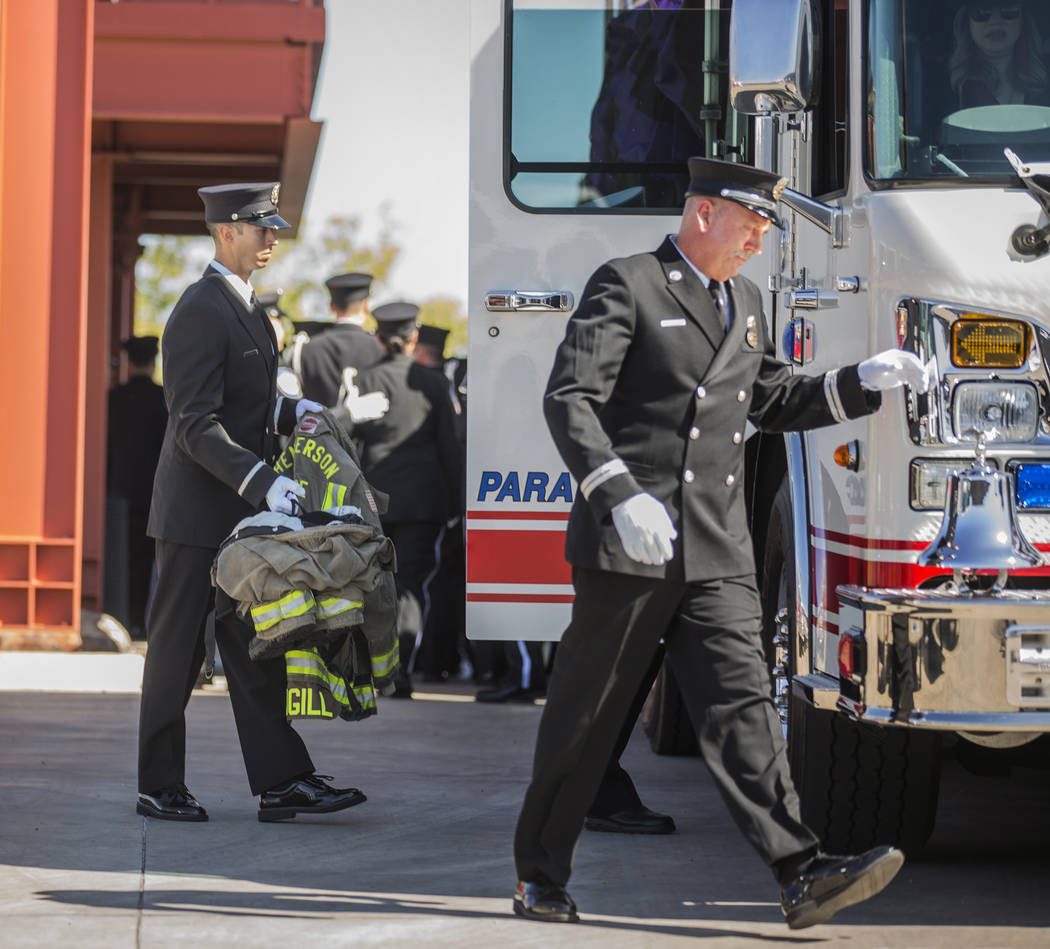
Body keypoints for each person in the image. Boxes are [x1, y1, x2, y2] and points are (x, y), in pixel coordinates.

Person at [511, 158, 928, 929]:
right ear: (705, 214)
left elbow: (770, 396)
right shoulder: (627, 283)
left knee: (744, 712)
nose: (761, 244)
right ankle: (540, 874)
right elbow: (570, 397)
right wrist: (615, 491)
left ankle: (800, 873)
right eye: (753, 226)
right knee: (587, 715)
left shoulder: (744, 302)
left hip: (716, 549)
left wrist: (861, 380)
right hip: (629, 546)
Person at [138, 181, 362, 824]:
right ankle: (158, 784)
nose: (271, 240)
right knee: (177, 653)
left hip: (238, 513)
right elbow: (195, 423)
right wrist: (263, 482)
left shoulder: (248, 307)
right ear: (225, 231)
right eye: (260, 228)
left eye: (273, 230)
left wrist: (294, 411)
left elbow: (246, 404)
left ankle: (283, 780)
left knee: (254, 644)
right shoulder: (200, 309)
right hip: (196, 515)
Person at [349, 303, 463, 698]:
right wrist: (455, 503)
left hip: (372, 501)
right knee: (411, 586)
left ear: (379, 338)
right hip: (424, 504)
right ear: (414, 338)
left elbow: (349, 446)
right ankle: (398, 671)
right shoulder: (432, 384)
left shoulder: (364, 380)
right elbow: (451, 446)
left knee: (372, 585)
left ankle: (368, 669)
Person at [106, 335, 167, 637]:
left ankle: (120, 617)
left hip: (118, 491)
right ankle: (141, 622)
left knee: (119, 556)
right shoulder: (163, 399)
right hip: (152, 492)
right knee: (147, 560)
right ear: (154, 362)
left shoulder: (113, 399)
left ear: (129, 362)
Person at [296, 272, 383, 406]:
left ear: (331, 306)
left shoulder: (307, 348)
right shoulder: (380, 347)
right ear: (366, 305)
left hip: (319, 425)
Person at [948, 2, 1048, 109]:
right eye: (982, 12)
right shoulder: (944, 84)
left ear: (1023, 20)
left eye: (1008, 10)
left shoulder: (1047, 71)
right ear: (967, 22)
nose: (995, 21)